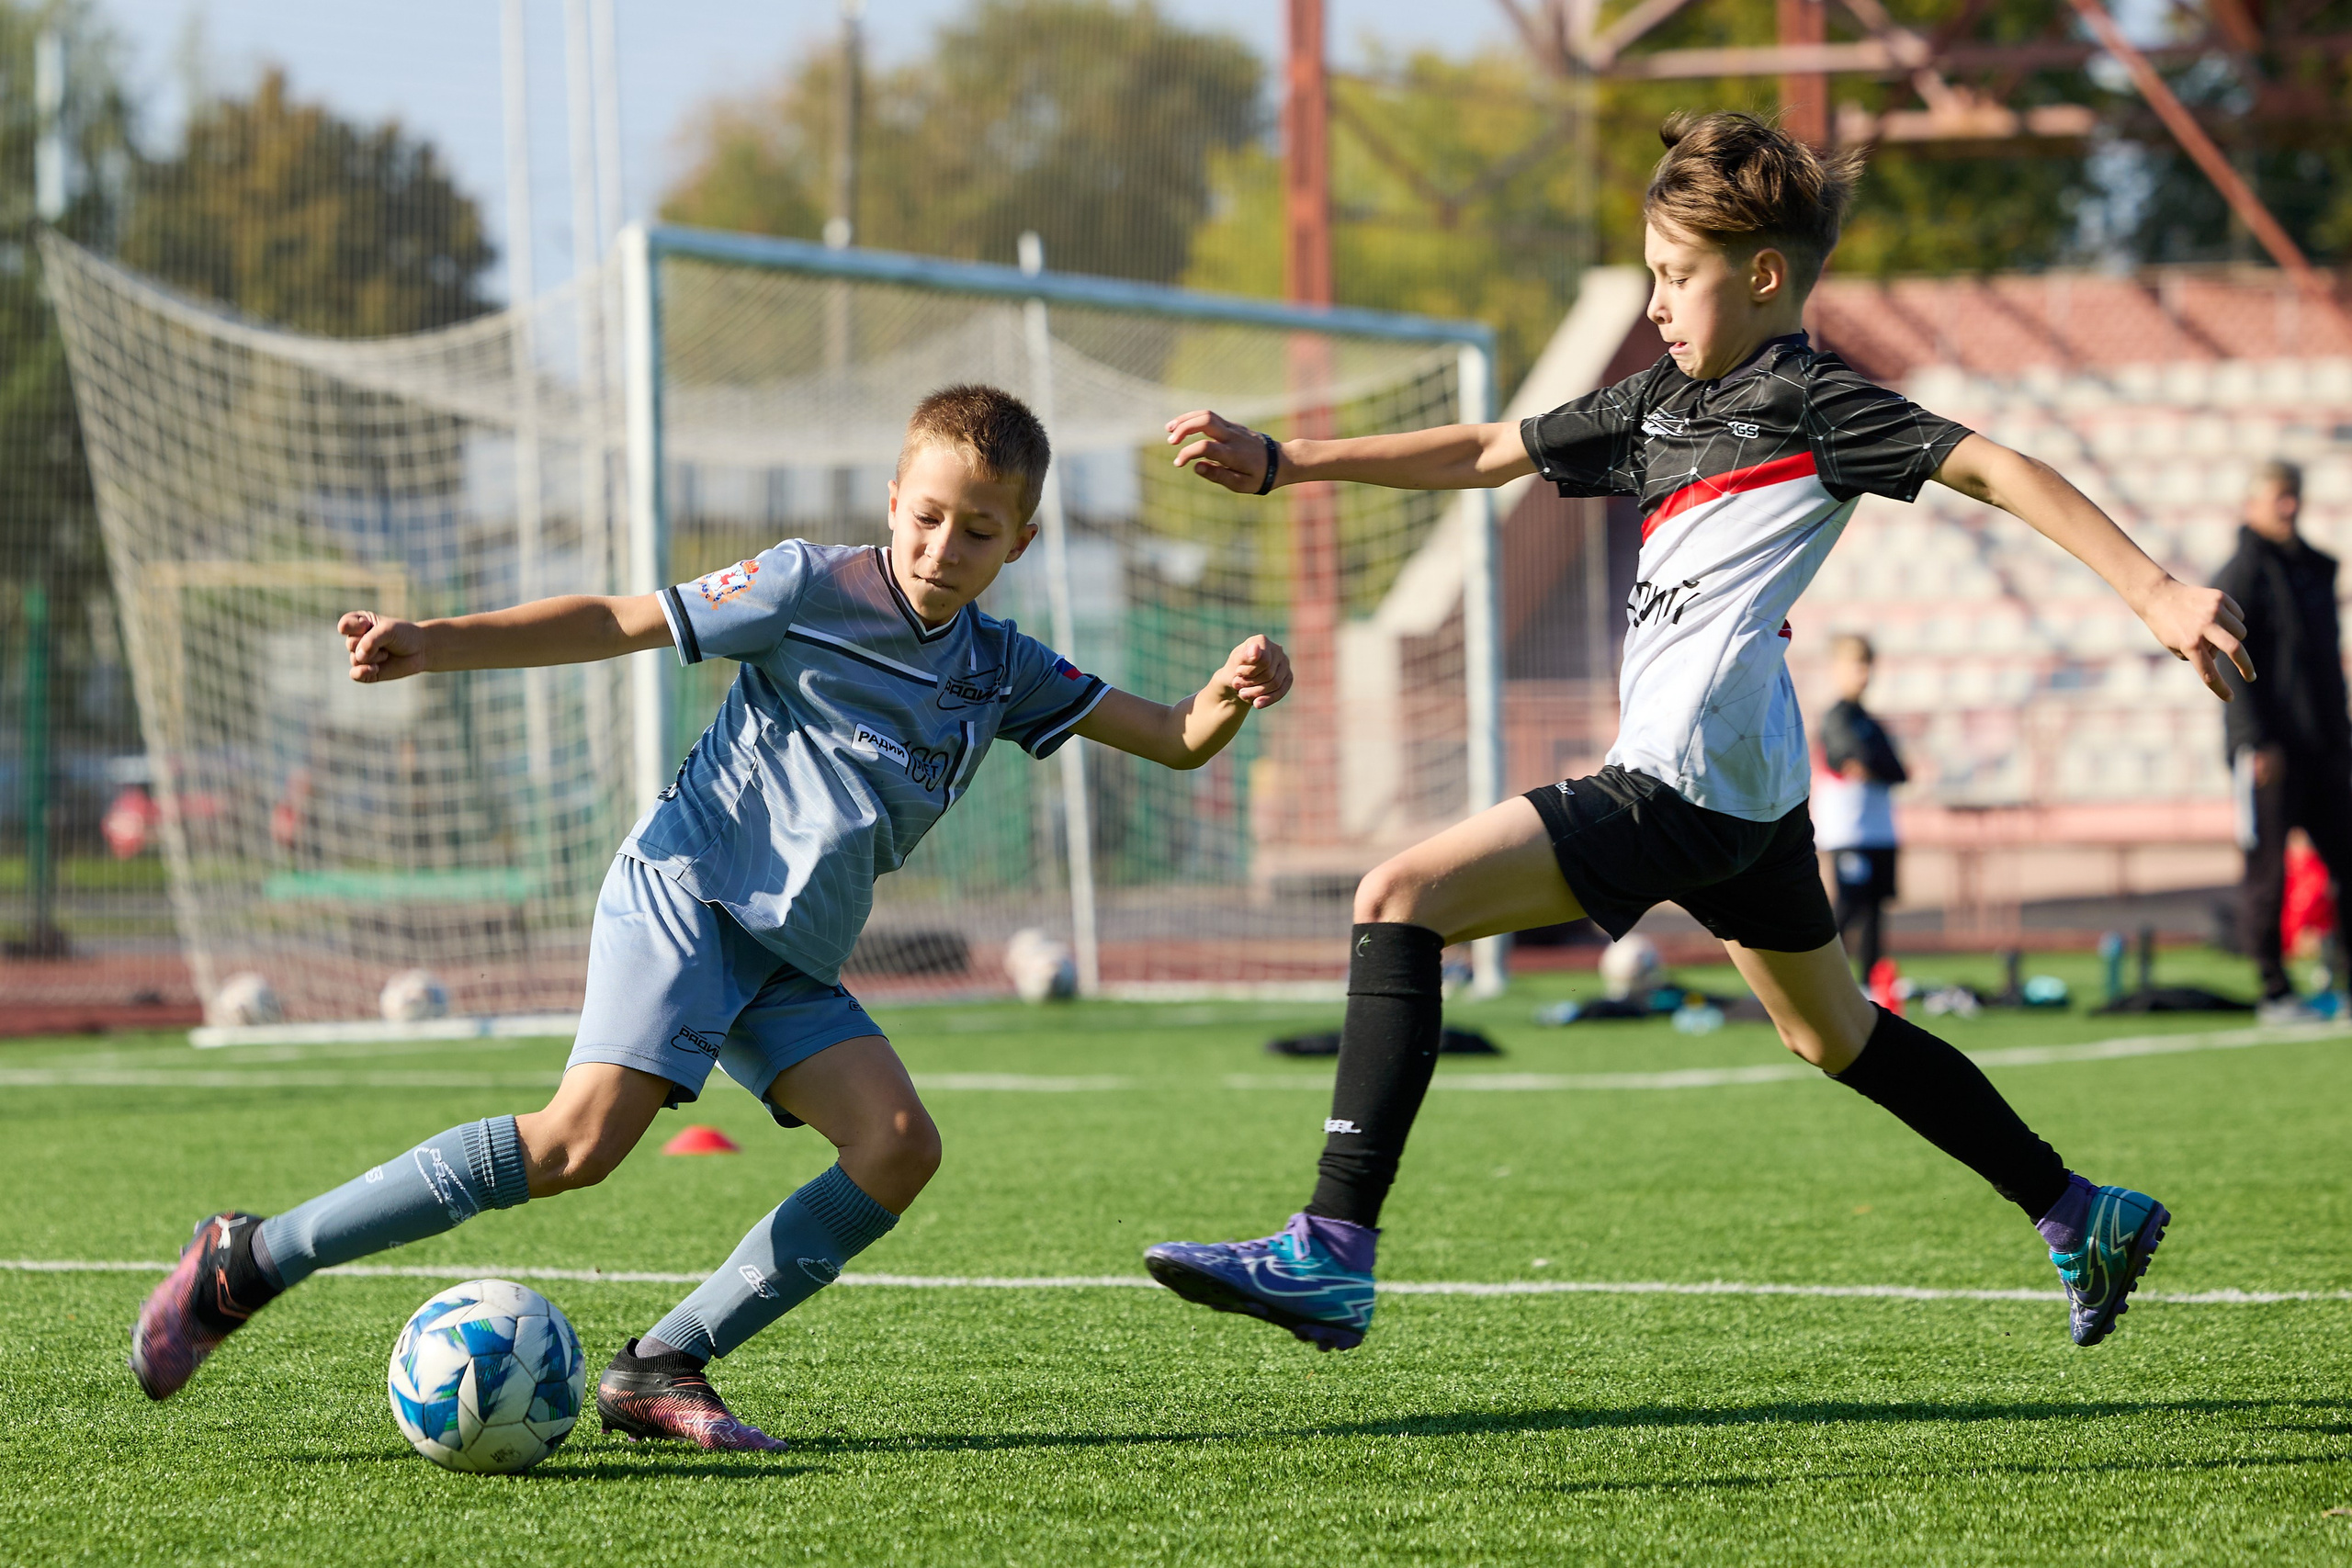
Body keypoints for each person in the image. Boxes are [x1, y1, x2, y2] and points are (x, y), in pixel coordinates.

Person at [1143, 112, 2251, 1356]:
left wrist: (2155, 589)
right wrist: (1288, 460)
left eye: (1676, 276)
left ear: (1764, 275)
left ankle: (1331, 1247)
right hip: (1752, 786)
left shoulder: (1816, 400)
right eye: (1652, 274)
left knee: (1398, 897)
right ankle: (2078, 1209)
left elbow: (1993, 467)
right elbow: (1493, 448)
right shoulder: (1660, 403)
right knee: (1830, 1031)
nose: (1656, 302)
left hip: (1682, 776)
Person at [130, 385, 1294, 1450]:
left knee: (897, 1146)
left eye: (978, 533)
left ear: (1021, 543)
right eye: (927, 517)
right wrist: (437, 644)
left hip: (789, 956)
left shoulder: (1004, 669)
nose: (943, 548)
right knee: (579, 1145)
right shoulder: (803, 587)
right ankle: (253, 1258)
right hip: (689, 893)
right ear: (893, 498)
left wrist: (1230, 693)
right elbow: (614, 620)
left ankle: (662, 1365)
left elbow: (1173, 735)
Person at [2212, 459, 2352, 1023]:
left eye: (2293, 495)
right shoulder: (2241, 573)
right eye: (2278, 496)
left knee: (2347, 863)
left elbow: (2326, 668)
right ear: (2252, 505)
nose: (2289, 506)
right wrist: (2255, 740)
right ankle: (2275, 991)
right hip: (2270, 753)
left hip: (2324, 748)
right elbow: (2228, 658)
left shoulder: (2315, 569)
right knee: (2268, 875)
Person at [1814, 632, 1906, 984]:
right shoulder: (1837, 718)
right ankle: (1817, 977)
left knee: (1874, 910)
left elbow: (1897, 771)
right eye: (1856, 664)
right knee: (1849, 906)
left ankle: (1869, 985)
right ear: (1837, 668)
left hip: (1879, 829)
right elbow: (1851, 759)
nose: (1864, 673)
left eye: (1867, 664)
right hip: (1848, 830)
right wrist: (1873, 767)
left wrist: (1875, 768)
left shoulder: (1870, 722)